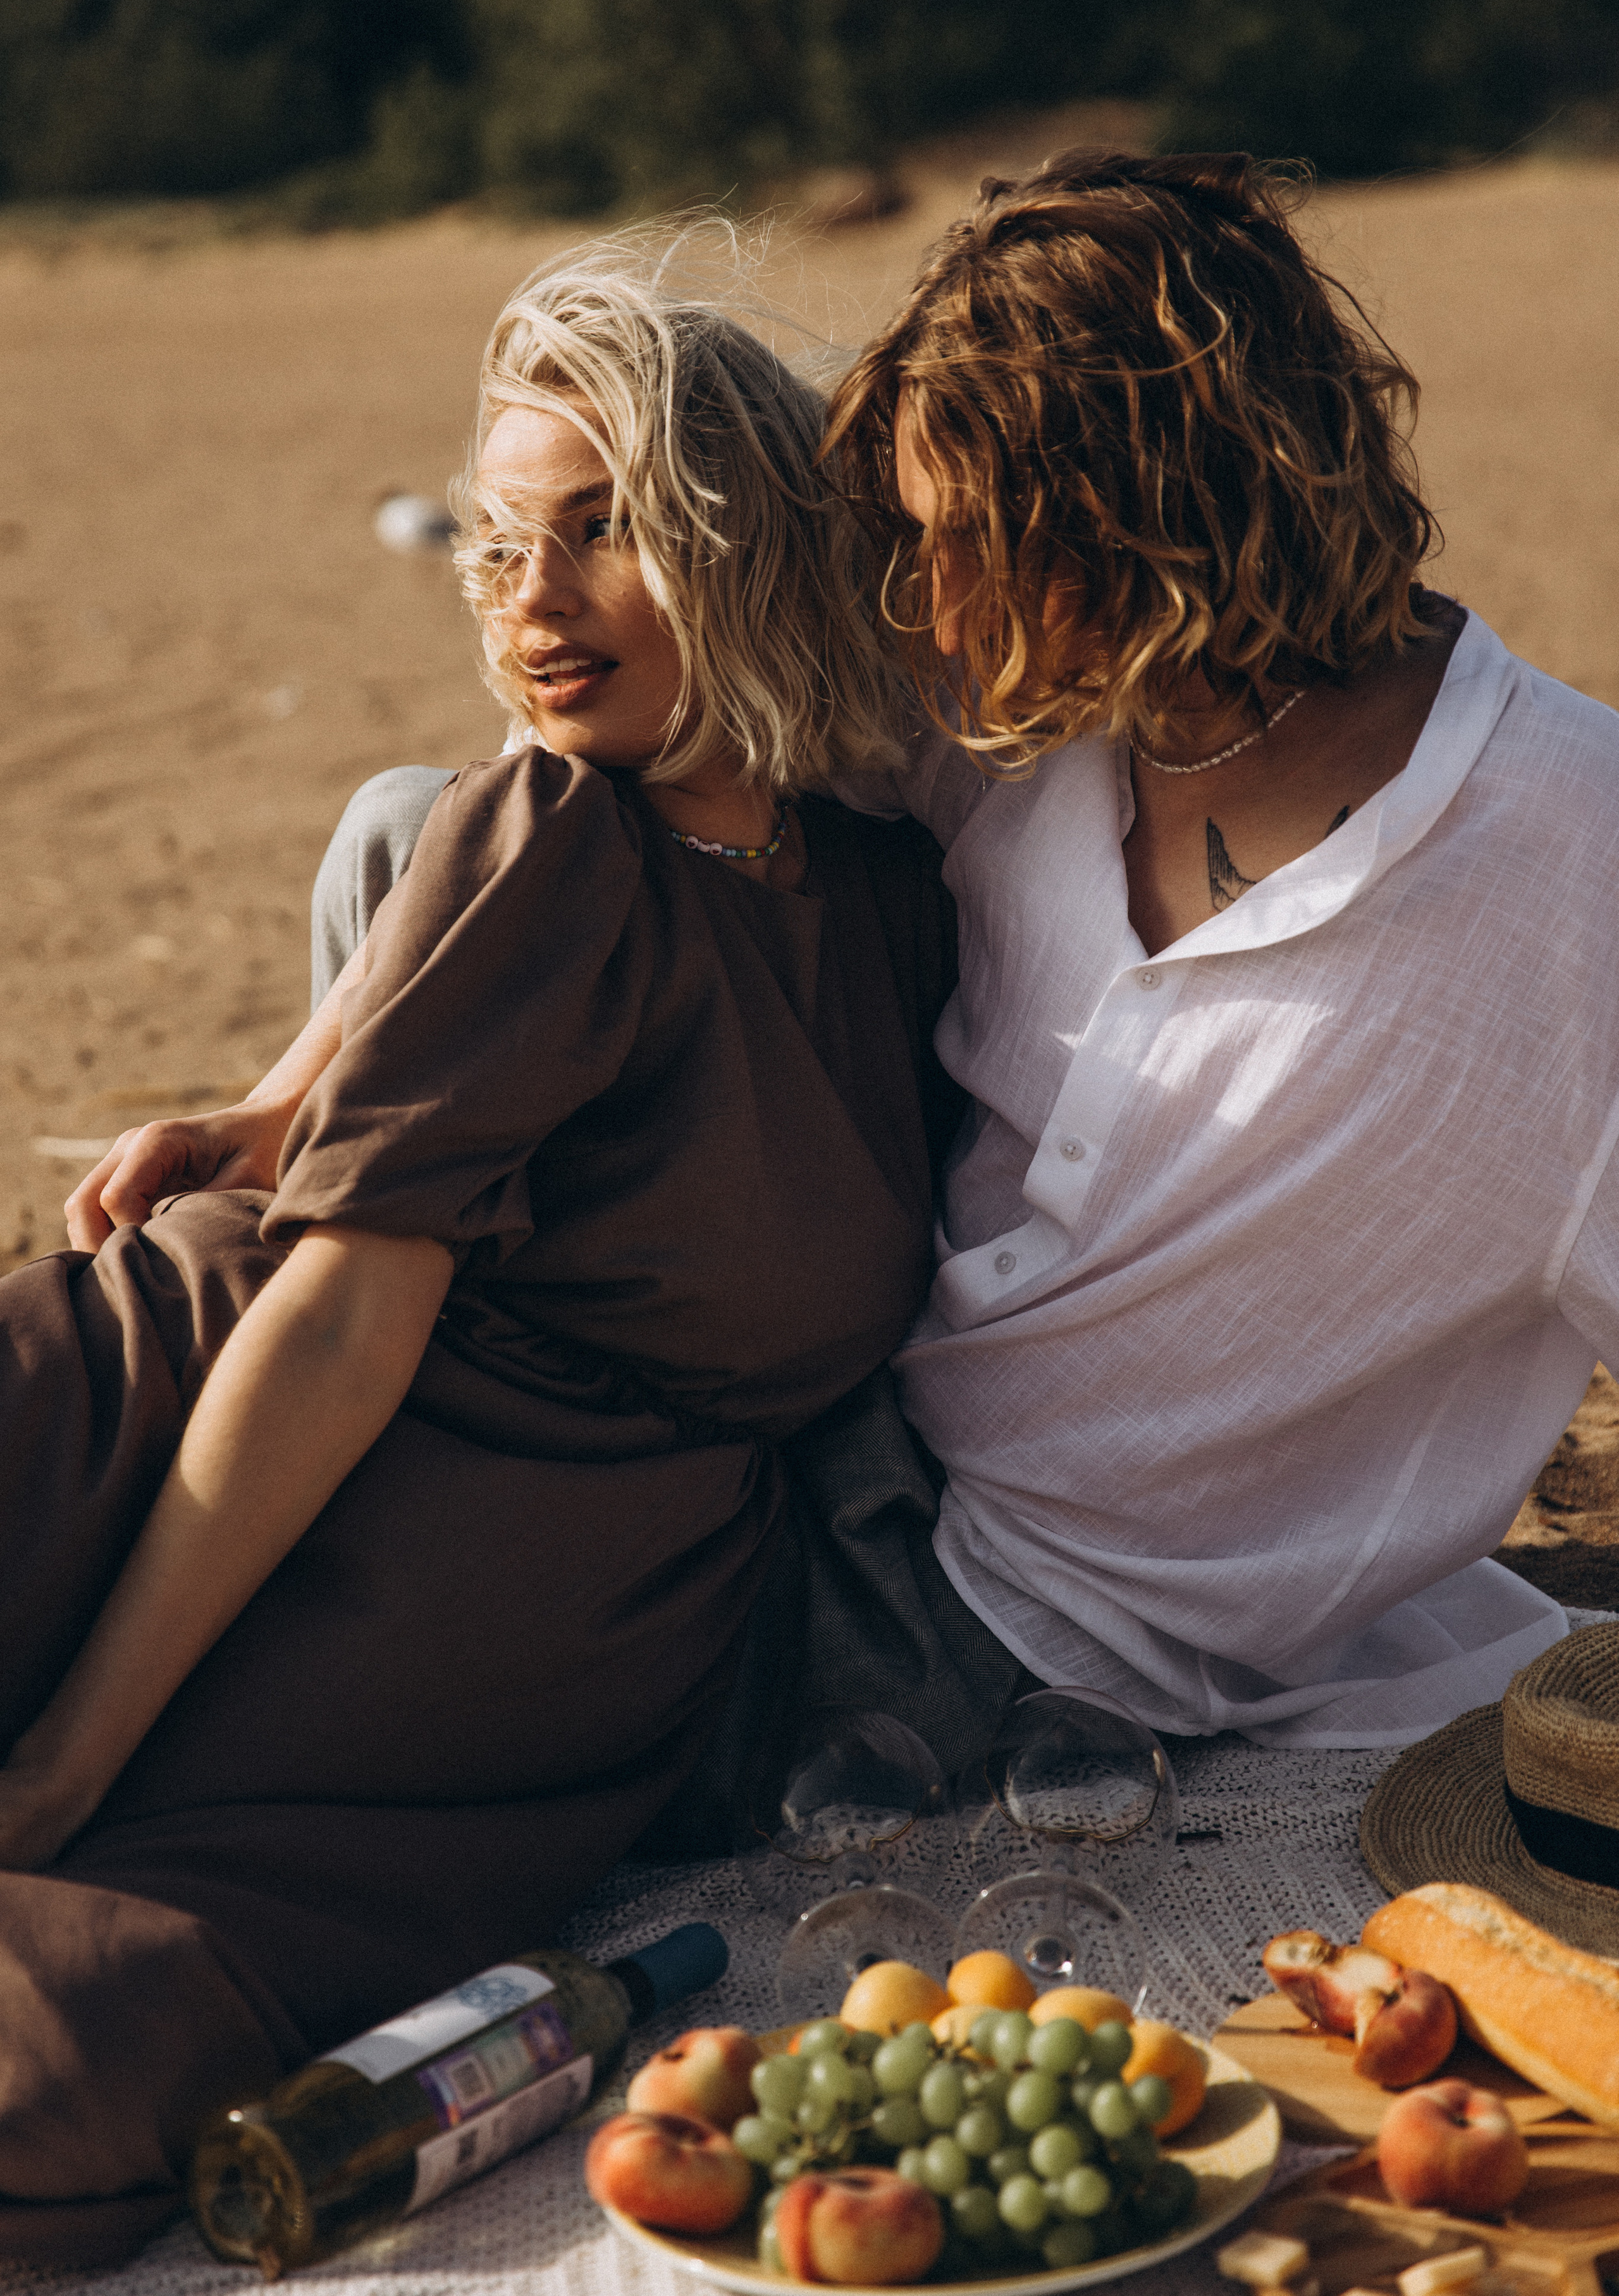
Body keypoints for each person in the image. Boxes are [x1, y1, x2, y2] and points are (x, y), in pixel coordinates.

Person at [80, 153, 1619, 1762]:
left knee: (249, 1637)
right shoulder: (1027, 690)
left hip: (975, 1617)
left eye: (964, 543)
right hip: (794, 1395)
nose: (922, 607)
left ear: (1149, 526)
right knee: (411, 824)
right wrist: (287, 1101)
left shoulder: (1571, 866)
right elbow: (560, 790)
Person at [0, 251, 964, 2263]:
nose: (530, 601)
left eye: (603, 532)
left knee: (66, 2067)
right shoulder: (554, 830)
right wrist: (69, 1754)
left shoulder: (892, 892)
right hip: (190, 1423)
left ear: (739, 534)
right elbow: (336, 1322)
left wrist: (293, 1086)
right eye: (504, 541)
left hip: (519, 1650)